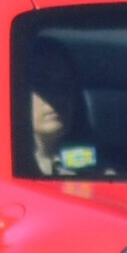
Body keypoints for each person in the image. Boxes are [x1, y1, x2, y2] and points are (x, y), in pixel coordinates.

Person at [20, 42, 93, 175]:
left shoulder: (98, 173)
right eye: (41, 84)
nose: (57, 96)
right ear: (18, 94)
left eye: (64, 84)